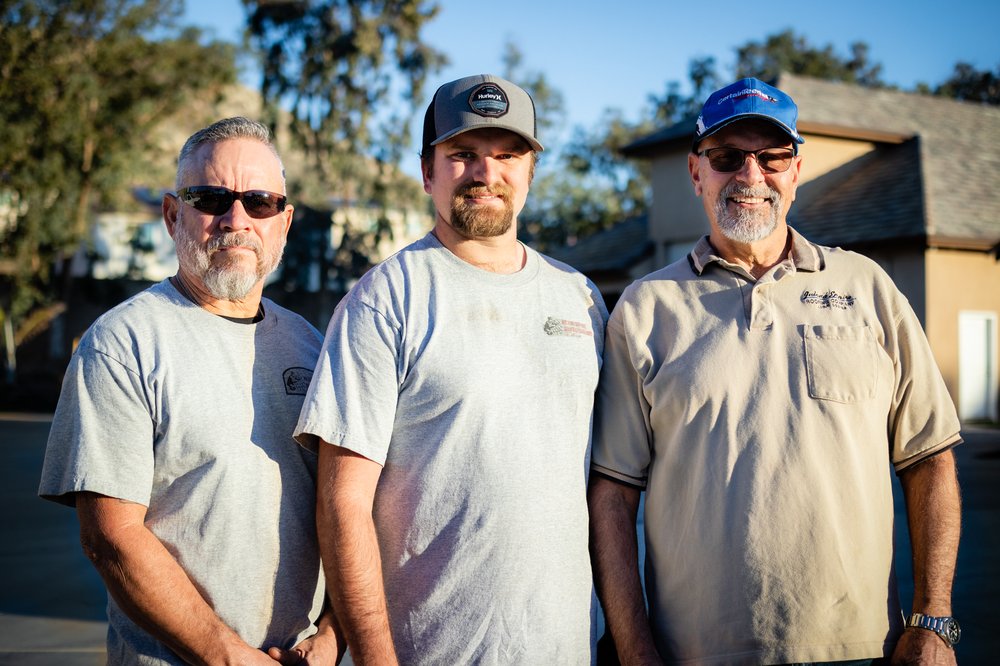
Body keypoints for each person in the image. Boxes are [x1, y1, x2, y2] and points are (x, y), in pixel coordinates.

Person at [588, 78, 963, 665]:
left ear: (796, 170)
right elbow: (612, 494)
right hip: (695, 653)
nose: (750, 174)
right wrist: (636, 652)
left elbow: (930, 458)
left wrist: (933, 621)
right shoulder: (644, 308)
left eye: (772, 157)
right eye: (727, 157)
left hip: (864, 648)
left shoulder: (866, 287)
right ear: (696, 172)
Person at [295, 74, 607, 665]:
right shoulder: (385, 300)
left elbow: (601, 490)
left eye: (507, 155)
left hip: (568, 649)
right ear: (427, 170)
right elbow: (342, 504)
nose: (486, 174)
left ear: (531, 170)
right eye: (462, 155)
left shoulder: (581, 299)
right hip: (430, 652)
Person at [39, 117, 342, 665]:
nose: (237, 219)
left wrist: (333, 633)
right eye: (211, 198)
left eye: (260, 202)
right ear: (173, 214)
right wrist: (227, 656)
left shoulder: (312, 346)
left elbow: (350, 507)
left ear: (285, 222)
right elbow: (111, 539)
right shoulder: (121, 344)